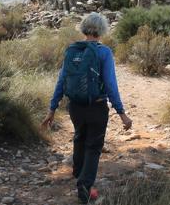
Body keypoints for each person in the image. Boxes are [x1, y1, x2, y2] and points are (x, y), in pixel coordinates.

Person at [42, 12, 132, 204]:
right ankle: (84, 186)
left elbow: (61, 80)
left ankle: (78, 172)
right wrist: (122, 113)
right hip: (97, 107)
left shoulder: (72, 50)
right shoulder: (104, 52)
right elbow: (110, 85)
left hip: (75, 107)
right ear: (102, 30)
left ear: (84, 28)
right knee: (93, 146)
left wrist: (52, 108)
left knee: (79, 136)